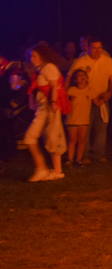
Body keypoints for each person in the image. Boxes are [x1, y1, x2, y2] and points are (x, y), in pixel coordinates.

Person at [24, 43, 68, 182]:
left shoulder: (49, 67)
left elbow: (55, 86)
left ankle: (45, 169)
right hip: (43, 108)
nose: (32, 58)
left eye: (34, 55)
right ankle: (51, 170)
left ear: (42, 56)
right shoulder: (40, 70)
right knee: (48, 137)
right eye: (31, 56)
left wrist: (54, 103)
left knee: (36, 137)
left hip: (49, 108)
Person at [68, 37, 112, 162]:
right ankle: (83, 155)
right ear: (88, 48)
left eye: (100, 48)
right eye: (94, 48)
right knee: (86, 127)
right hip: (85, 99)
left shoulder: (108, 60)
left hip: (102, 98)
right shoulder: (81, 61)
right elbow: (70, 76)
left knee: (101, 127)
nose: (97, 50)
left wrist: (109, 92)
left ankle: (99, 154)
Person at [66, 68, 94, 166]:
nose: (81, 77)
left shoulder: (89, 90)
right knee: (72, 140)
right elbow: (66, 104)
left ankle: (78, 160)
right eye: (79, 75)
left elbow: (94, 100)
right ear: (75, 79)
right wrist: (69, 100)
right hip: (72, 119)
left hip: (84, 120)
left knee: (82, 141)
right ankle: (69, 159)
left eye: (83, 75)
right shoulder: (71, 90)